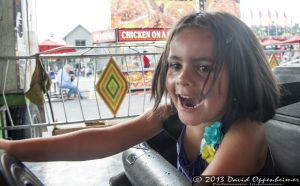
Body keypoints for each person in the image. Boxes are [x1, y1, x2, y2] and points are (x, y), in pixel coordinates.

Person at [0, 12, 279, 182]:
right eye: (175, 65)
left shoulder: (245, 134)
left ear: (241, 74)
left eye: (204, 67)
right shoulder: (168, 114)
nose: (182, 78)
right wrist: (12, 149)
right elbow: (101, 140)